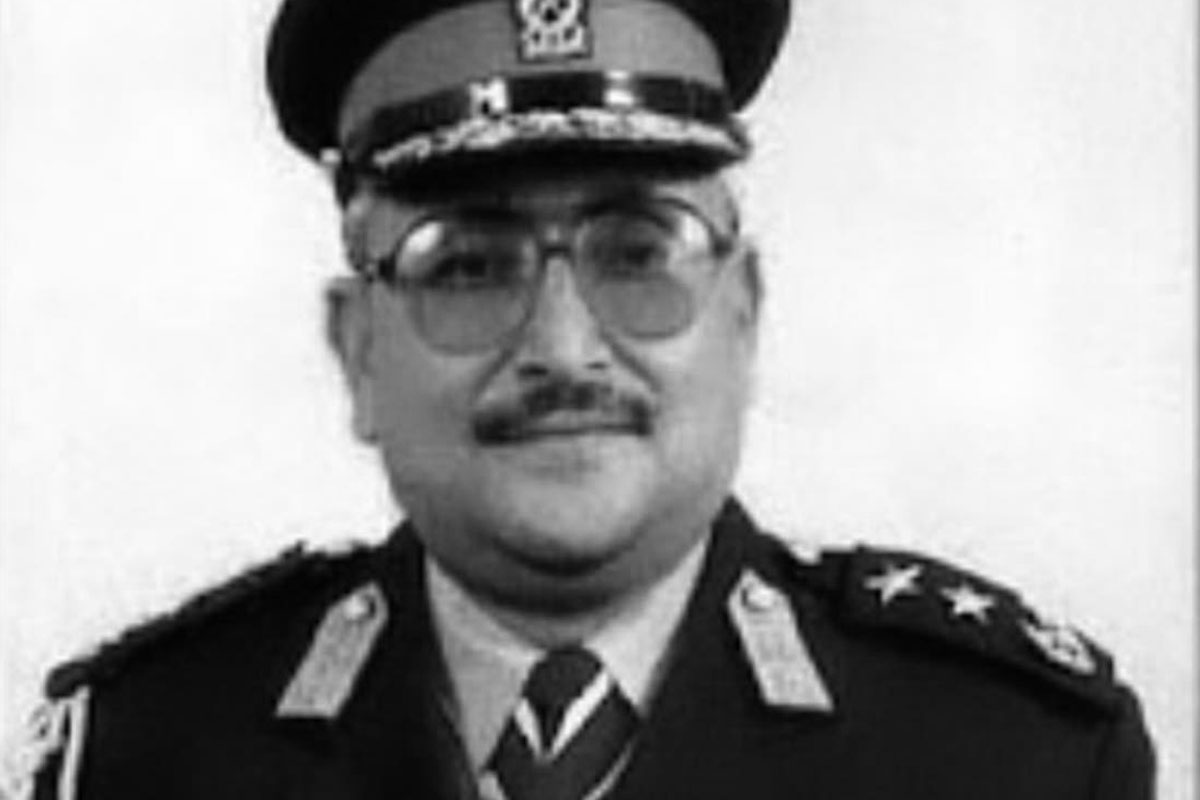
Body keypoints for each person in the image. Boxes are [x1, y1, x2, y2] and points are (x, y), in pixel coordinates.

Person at [5, 0, 1155, 798]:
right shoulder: (140, 758)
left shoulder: (1017, 760)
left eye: (639, 253)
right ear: (357, 352)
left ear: (744, 316)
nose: (563, 347)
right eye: (467, 265)